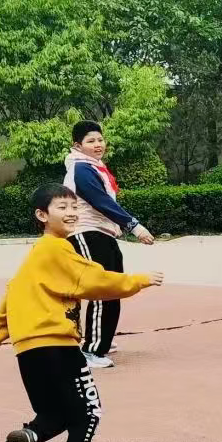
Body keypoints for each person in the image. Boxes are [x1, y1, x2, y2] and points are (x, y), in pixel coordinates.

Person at [0, 184, 163, 442]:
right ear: (42, 215)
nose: (72, 212)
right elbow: (93, 279)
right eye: (62, 207)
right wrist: (139, 280)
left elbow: (10, 297)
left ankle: (29, 436)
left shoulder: (34, 257)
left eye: (74, 206)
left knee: (55, 414)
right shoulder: (58, 249)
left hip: (28, 351)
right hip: (58, 346)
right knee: (89, 411)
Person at [64, 121, 155, 369]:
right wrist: (134, 226)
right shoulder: (81, 168)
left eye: (100, 140)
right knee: (102, 288)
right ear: (77, 146)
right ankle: (92, 349)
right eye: (91, 141)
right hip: (87, 233)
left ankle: (102, 338)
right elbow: (101, 201)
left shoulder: (95, 167)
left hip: (103, 234)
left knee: (114, 286)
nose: (98, 145)